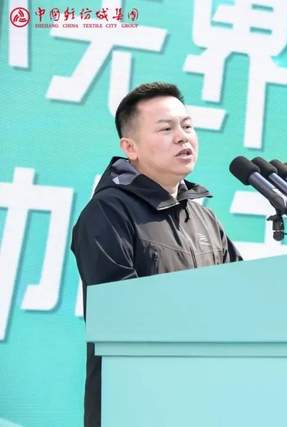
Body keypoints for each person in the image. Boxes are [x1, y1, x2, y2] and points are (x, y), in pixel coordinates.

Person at [71, 82, 242, 427]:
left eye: (187, 126)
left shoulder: (205, 219)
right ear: (129, 147)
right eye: (166, 129)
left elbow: (243, 297)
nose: (182, 137)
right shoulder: (108, 212)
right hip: (134, 403)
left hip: (204, 402)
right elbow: (120, 313)